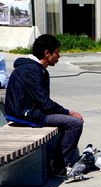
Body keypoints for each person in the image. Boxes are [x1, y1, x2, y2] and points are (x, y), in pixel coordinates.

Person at [4, 34, 84, 177]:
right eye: (57, 52)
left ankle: (57, 161)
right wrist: (68, 112)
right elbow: (45, 103)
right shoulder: (32, 70)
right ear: (47, 53)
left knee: (65, 119)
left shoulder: (31, 67)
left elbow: (42, 102)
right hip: (25, 115)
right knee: (74, 123)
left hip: (25, 112)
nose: (58, 57)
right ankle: (58, 166)